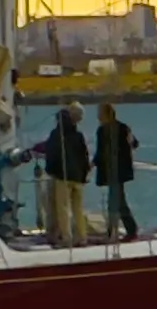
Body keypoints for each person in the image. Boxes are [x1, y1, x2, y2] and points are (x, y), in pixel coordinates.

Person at [40, 102, 92, 246]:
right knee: (78, 209)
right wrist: (84, 175)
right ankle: (82, 236)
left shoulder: (56, 135)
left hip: (62, 177)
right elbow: (84, 156)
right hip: (78, 177)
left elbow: (52, 154)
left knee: (62, 208)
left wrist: (51, 170)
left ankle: (66, 237)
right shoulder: (78, 135)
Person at [100, 106, 139, 238]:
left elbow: (134, 144)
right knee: (118, 200)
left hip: (116, 170)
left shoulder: (111, 130)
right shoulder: (119, 128)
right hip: (116, 170)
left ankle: (119, 230)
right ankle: (123, 229)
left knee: (116, 201)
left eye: (100, 113)